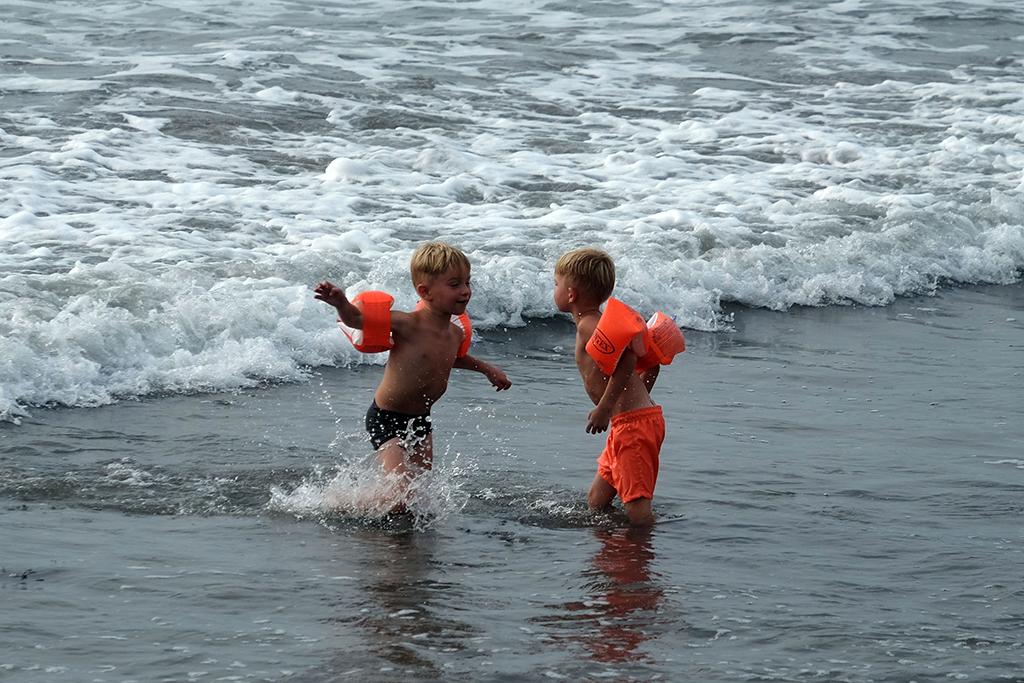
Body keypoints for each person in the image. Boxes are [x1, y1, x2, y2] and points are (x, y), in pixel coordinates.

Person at [315, 242, 511, 512]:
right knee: (399, 497)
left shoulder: (455, 333)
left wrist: (487, 369)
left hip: (421, 419)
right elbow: (358, 321)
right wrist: (340, 303)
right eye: (454, 284)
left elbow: (451, 358)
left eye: (467, 282)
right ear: (425, 291)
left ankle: (395, 525)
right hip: (387, 417)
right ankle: (339, 504)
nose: (465, 290)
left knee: (419, 494)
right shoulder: (407, 323)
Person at [554, 248, 665, 526]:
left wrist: (604, 408)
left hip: (632, 426)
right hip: (628, 422)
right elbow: (650, 364)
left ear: (571, 294)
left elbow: (629, 356)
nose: (553, 290)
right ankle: (615, 550)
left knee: (638, 512)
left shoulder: (589, 326)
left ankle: (642, 559)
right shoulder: (596, 324)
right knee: (596, 501)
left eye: (556, 284)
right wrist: (636, 403)